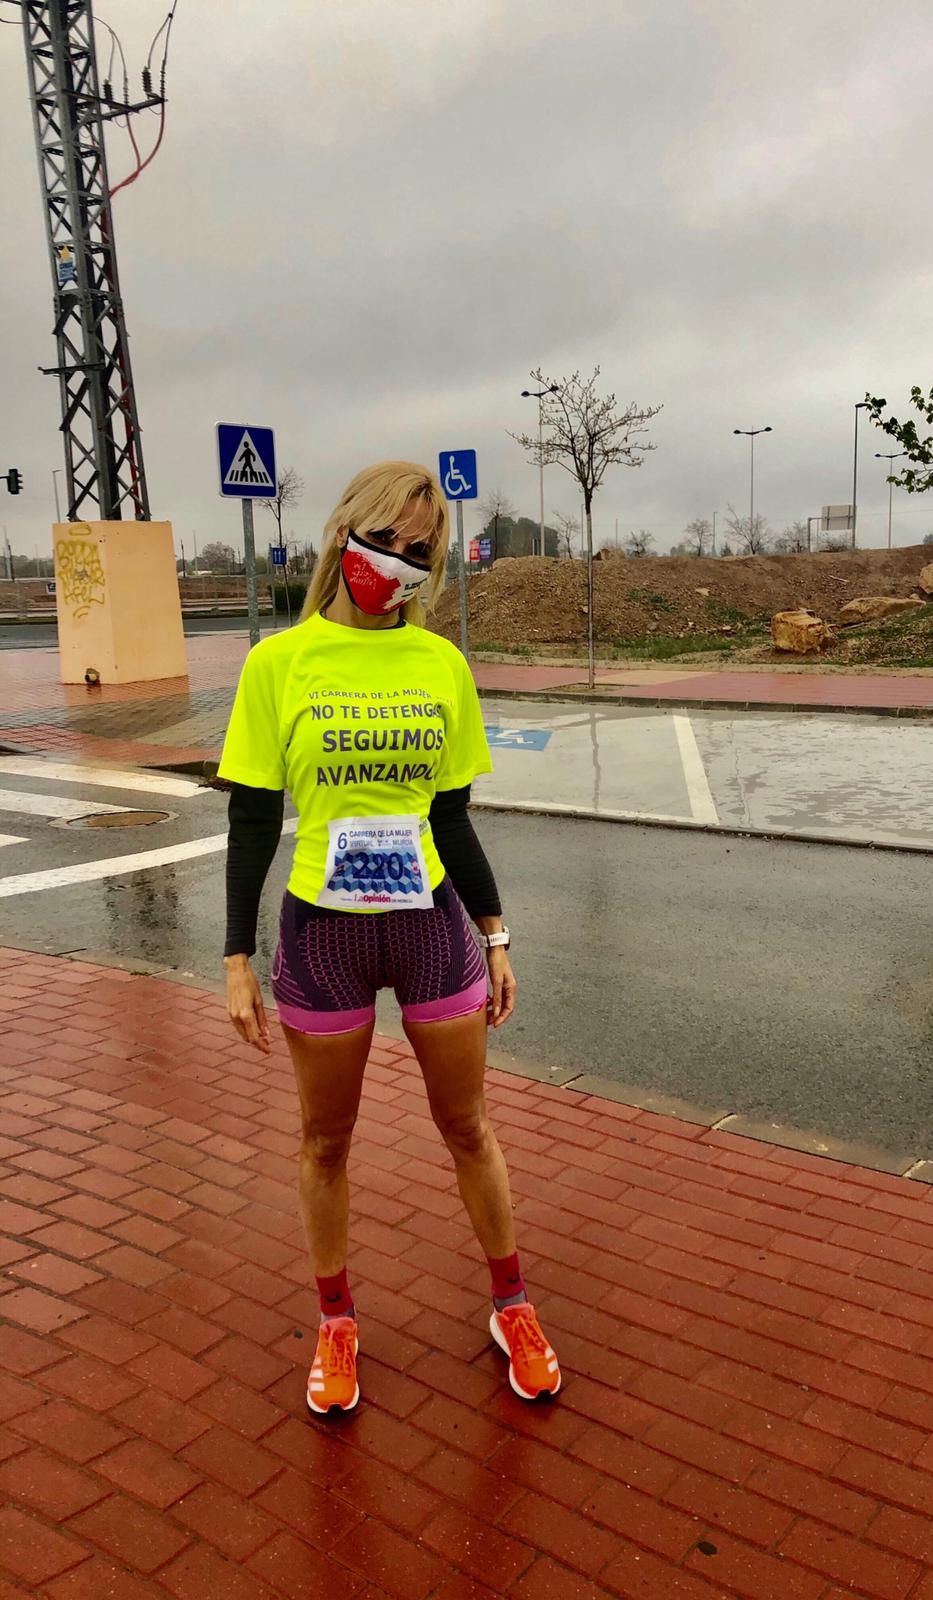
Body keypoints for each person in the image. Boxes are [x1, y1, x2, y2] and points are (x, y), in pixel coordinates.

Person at [219, 460, 561, 1413]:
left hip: (428, 930)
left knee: (468, 1128)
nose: (399, 564)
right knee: (324, 1141)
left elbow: (452, 818)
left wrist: (495, 935)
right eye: (387, 541)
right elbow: (252, 816)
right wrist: (238, 957)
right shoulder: (277, 664)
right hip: (323, 934)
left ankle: (513, 1304)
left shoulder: (439, 664)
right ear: (344, 534)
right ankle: (335, 1321)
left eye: (421, 552)